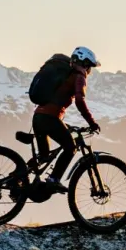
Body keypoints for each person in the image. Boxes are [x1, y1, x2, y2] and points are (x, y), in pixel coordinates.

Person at [32, 46, 101, 194]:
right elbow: (79, 102)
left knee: (44, 157)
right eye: (90, 66)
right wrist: (92, 122)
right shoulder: (78, 76)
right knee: (71, 148)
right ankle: (53, 180)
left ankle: (18, 180)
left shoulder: (65, 74)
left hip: (38, 117)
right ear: (85, 63)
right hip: (50, 118)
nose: (89, 71)